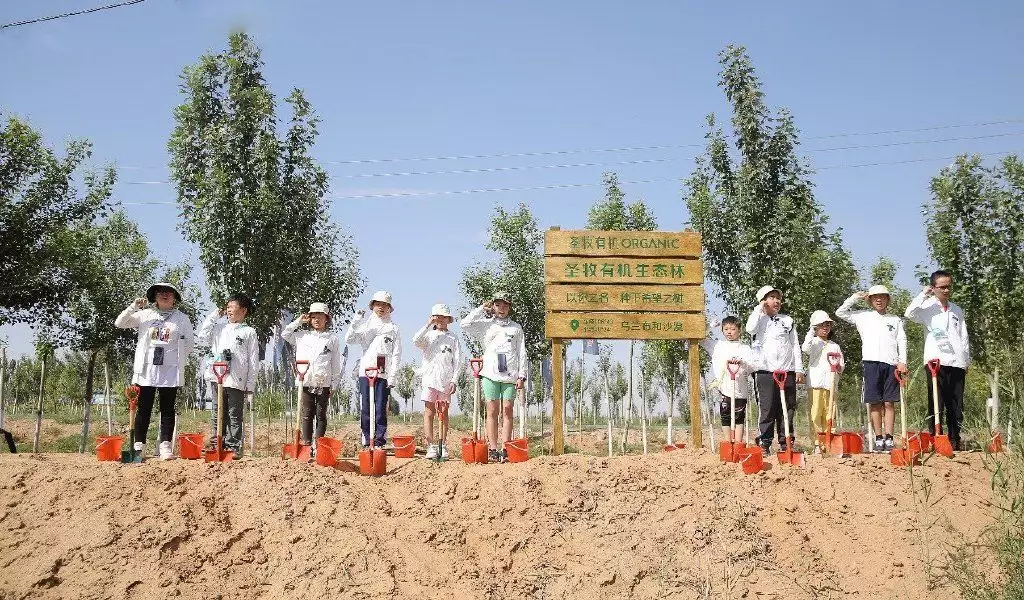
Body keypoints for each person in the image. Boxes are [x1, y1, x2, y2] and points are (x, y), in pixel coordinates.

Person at [114, 282, 195, 460]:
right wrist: (133, 307)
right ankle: (138, 446)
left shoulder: (182, 318)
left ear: (175, 298)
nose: (165, 295)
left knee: (167, 408)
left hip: (170, 369)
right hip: (147, 368)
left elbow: (190, 343)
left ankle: (165, 446)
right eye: (160, 293)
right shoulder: (145, 314)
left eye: (169, 293)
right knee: (144, 408)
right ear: (154, 297)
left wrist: (176, 357)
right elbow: (119, 323)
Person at [905, 270, 971, 451]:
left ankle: (954, 439)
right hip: (936, 362)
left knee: (956, 403)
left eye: (949, 286)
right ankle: (936, 438)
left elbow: (963, 336)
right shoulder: (927, 307)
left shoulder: (956, 309)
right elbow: (909, 313)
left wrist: (966, 360)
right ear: (933, 288)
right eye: (942, 287)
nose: (946, 290)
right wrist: (923, 294)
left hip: (956, 361)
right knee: (937, 401)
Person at [836, 285, 907, 451]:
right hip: (870, 363)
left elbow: (902, 341)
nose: (879, 300)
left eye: (883, 297)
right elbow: (840, 312)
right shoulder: (862, 316)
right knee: (875, 402)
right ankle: (878, 437)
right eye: (875, 297)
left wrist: (902, 361)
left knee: (889, 402)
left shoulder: (895, 319)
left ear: (888, 299)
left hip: (891, 364)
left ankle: (889, 437)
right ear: (870, 301)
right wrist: (855, 297)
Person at [460, 291, 527, 463]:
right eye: (498, 305)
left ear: (510, 307)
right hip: (490, 373)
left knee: (507, 410)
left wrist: (522, 375)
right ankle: (493, 448)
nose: (502, 308)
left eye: (505, 305)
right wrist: (482, 308)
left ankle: (506, 447)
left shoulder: (516, 328)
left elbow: (521, 352)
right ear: (493, 306)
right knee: (492, 411)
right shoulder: (486, 325)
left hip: (510, 375)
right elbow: (465, 323)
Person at [196, 293, 260, 458]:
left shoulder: (249, 332)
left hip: (237, 379)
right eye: (228, 307)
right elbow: (203, 335)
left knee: (234, 414)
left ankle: (233, 447)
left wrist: (250, 385)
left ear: (244, 310)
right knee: (217, 412)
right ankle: (217, 443)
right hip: (217, 377)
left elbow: (253, 360)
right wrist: (214, 315)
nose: (229, 310)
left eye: (233, 307)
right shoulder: (219, 328)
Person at [746, 285, 804, 456]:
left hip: (788, 371)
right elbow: (750, 328)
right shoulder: (758, 318)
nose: (776, 301)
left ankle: (786, 441)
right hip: (765, 371)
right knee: (767, 408)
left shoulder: (788, 320)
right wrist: (759, 309)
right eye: (771, 297)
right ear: (763, 300)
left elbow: (794, 345)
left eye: (778, 298)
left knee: (788, 407)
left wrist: (799, 369)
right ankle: (764, 442)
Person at [282, 303, 346, 451]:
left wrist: (334, 383)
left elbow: (336, 362)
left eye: (320, 316)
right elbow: (285, 334)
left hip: (323, 382)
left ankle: (319, 445)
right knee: (307, 413)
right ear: (309, 319)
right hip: (305, 380)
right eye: (313, 316)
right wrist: (298, 321)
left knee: (321, 414)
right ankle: (306, 443)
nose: (317, 319)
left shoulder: (332, 338)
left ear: (326, 319)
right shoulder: (302, 336)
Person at [345, 291, 402, 449]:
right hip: (366, 371)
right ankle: (366, 437)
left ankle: (379, 440)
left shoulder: (393, 328)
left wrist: (393, 376)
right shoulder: (366, 326)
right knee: (366, 406)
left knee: (380, 408)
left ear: (389, 308)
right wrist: (356, 321)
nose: (381, 308)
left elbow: (397, 353)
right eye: (378, 304)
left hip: (383, 372)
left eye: (385, 305)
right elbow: (349, 339)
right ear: (372, 306)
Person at [412, 303, 464, 459]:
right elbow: (415, 341)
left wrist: (454, 380)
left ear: (448, 319)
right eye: (438, 317)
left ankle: (443, 444)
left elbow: (458, 360)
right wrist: (428, 325)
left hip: (446, 381)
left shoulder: (453, 338)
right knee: (429, 412)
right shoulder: (428, 335)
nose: (441, 320)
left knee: (444, 413)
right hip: (429, 379)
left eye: (444, 317)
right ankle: (430, 446)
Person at [700, 316, 755, 444]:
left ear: (739, 330)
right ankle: (728, 442)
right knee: (725, 415)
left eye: (732, 329)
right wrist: (709, 326)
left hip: (740, 389)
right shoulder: (717, 346)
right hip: (723, 388)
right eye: (726, 329)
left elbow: (753, 366)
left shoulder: (745, 349)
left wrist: (742, 362)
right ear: (722, 330)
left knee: (739, 417)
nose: (729, 332)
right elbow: (700, 339)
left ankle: (738, 443)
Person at [802, 310, 845, 454]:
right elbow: (805, 348)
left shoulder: (835, 346)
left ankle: (829, 442)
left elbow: (841, 365)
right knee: (815, 414)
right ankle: (816, 444)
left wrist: (839, 367)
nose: (825, 328)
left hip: (831, 385)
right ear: (815, 327)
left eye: (827, 325)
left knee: (830, 414)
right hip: (815, 383)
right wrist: (811, 331)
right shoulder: (813, 342)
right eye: (821, 325)